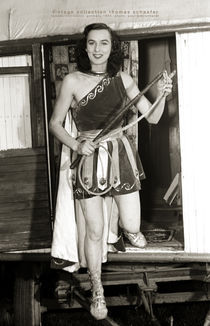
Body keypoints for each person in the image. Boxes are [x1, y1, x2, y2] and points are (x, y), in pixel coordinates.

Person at [49, 23, 172, 320]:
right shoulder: (72, 81)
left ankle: (125, 231)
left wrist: (163, 94)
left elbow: (153, 117)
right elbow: (55, 124)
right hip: (88, 160)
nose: (98, 49)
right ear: (85, 47)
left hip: (120, 156)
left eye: (104, 43)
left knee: (132, 224)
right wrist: (77, 145)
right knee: (94, 229)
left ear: (112, 47)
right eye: (92, 43)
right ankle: (97, 290)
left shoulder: (123, 78)